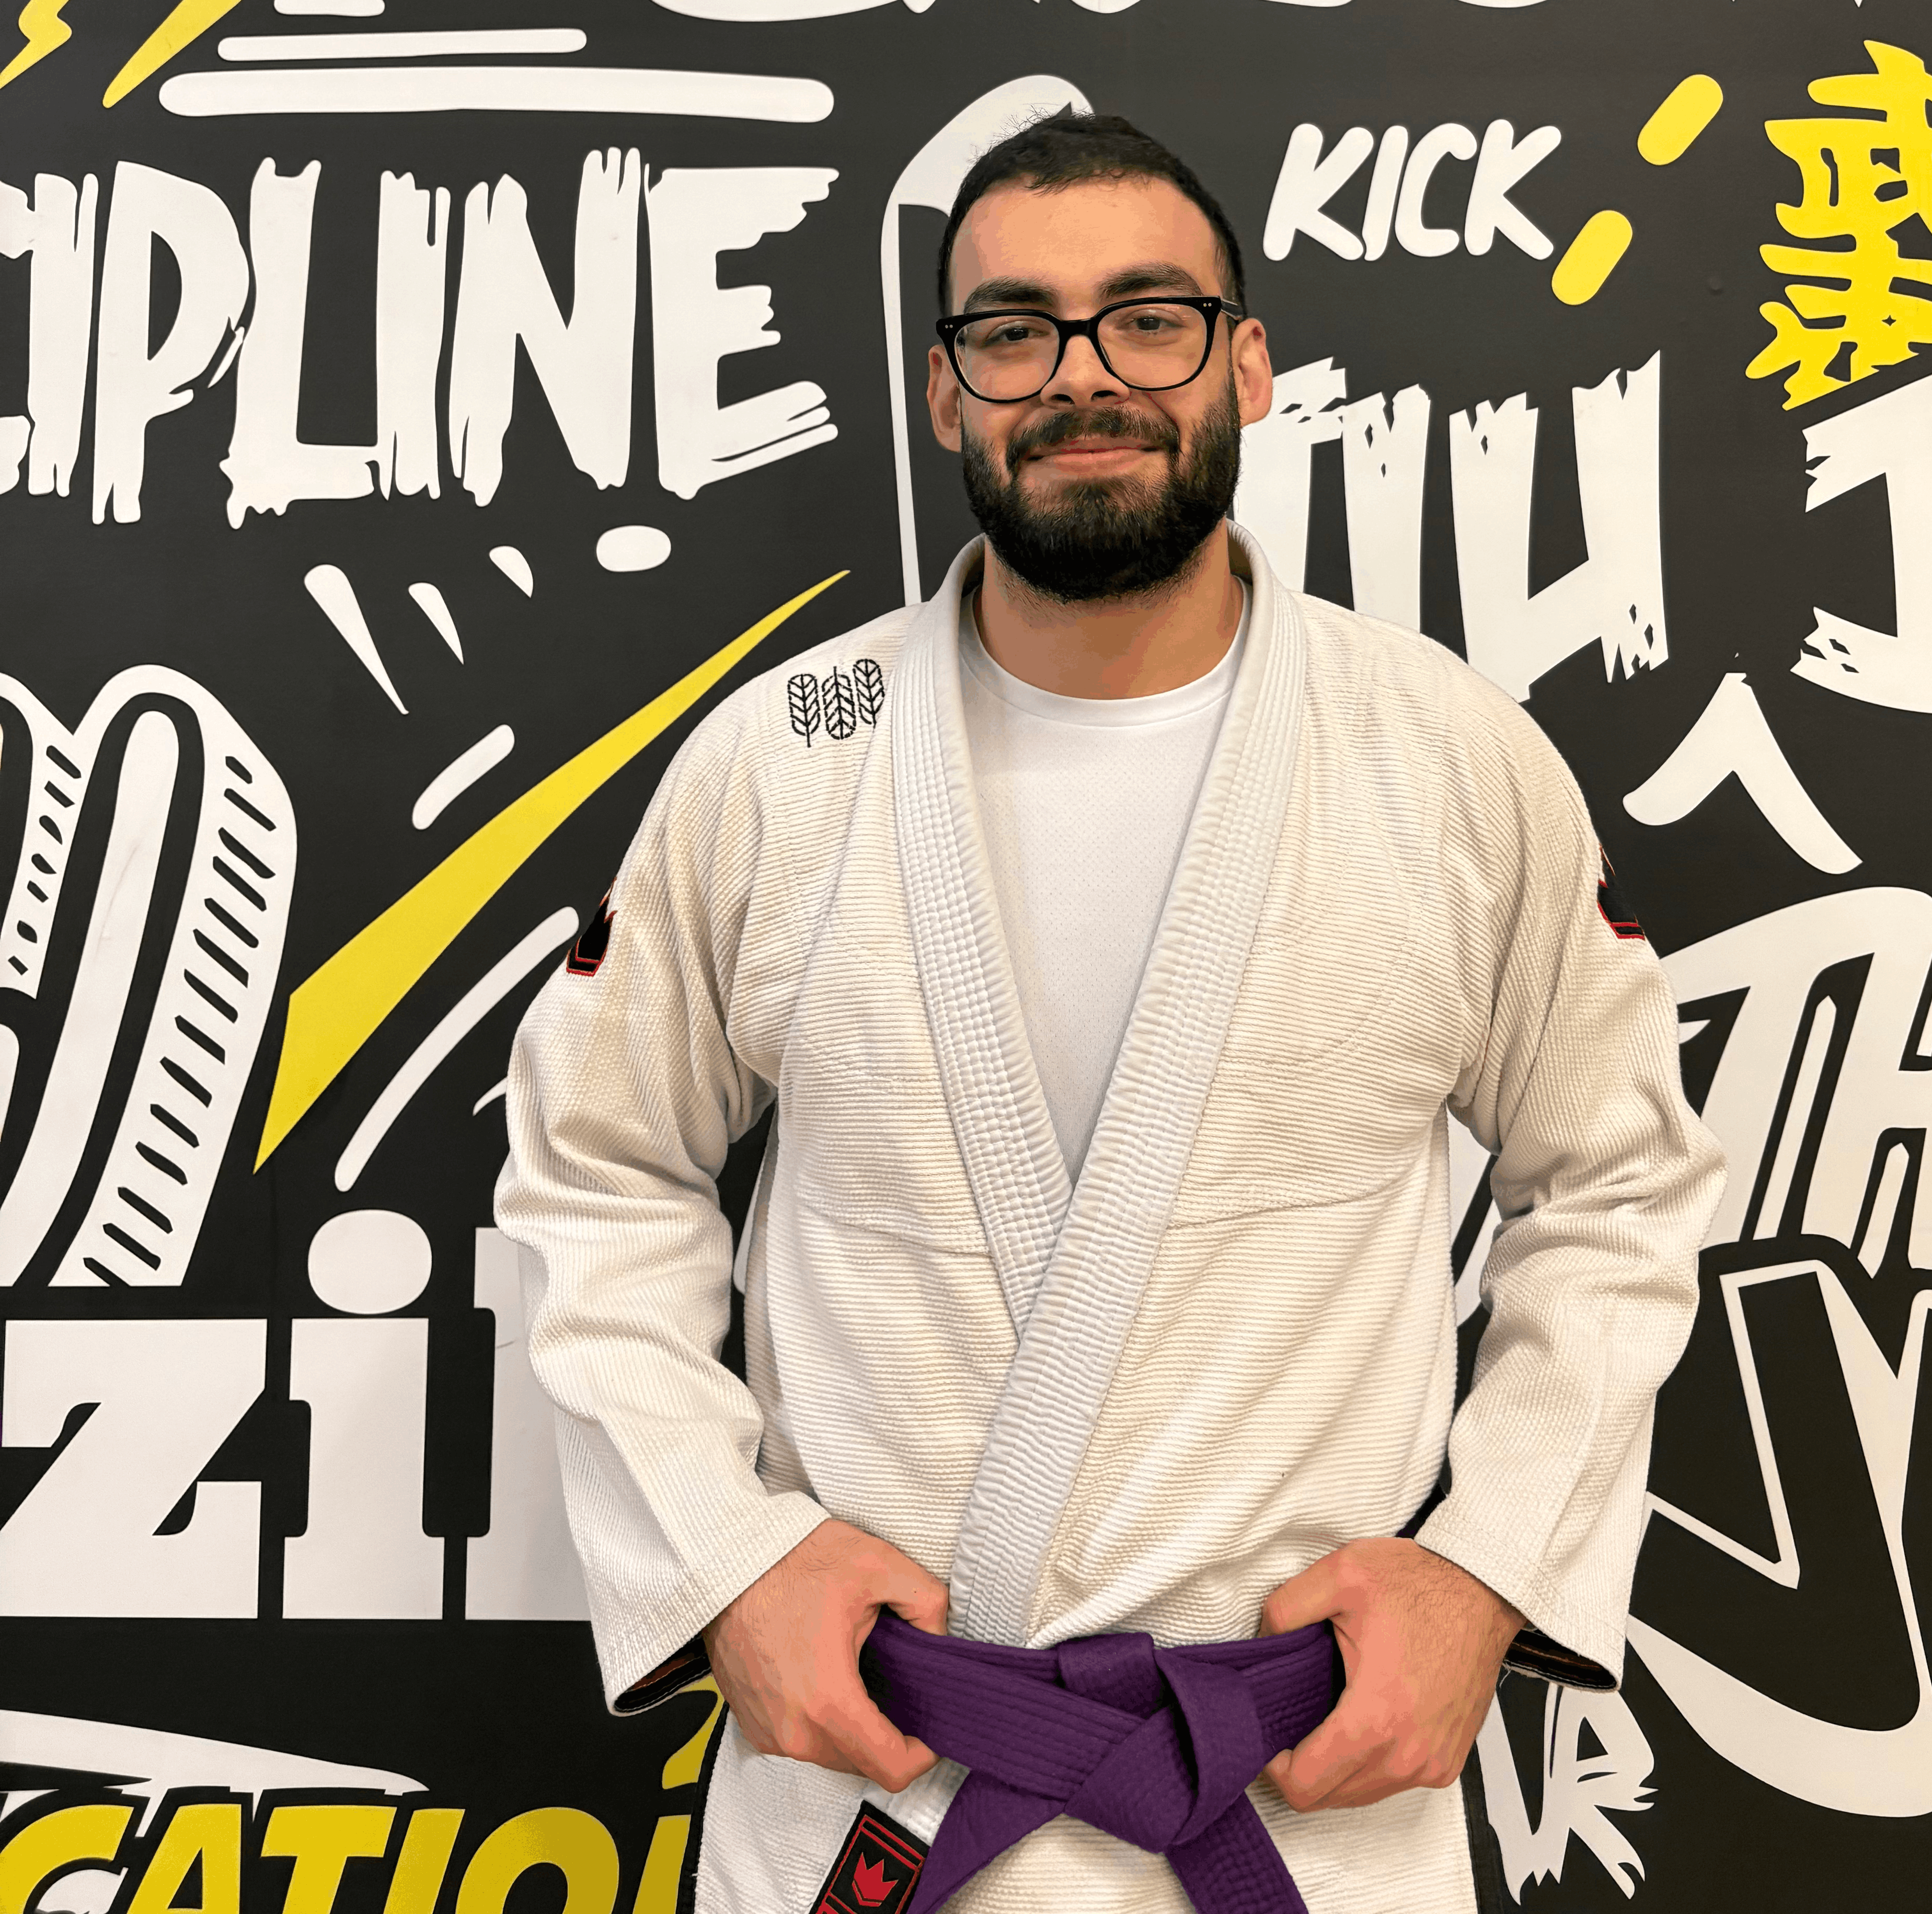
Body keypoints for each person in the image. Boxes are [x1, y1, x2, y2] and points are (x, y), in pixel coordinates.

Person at [496, 111, 1723, 1914]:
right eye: (1014, 330)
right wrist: (722, 1559)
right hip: (880, 1797)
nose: (1082, 377)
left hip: (1297, 1799)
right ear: (943, 392)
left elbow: (1619, 1182)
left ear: (1244, 363)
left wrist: (1490, 1572)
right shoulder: (780, 761)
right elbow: (594, 1170)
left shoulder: (1449, 759)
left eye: (1148, 318)